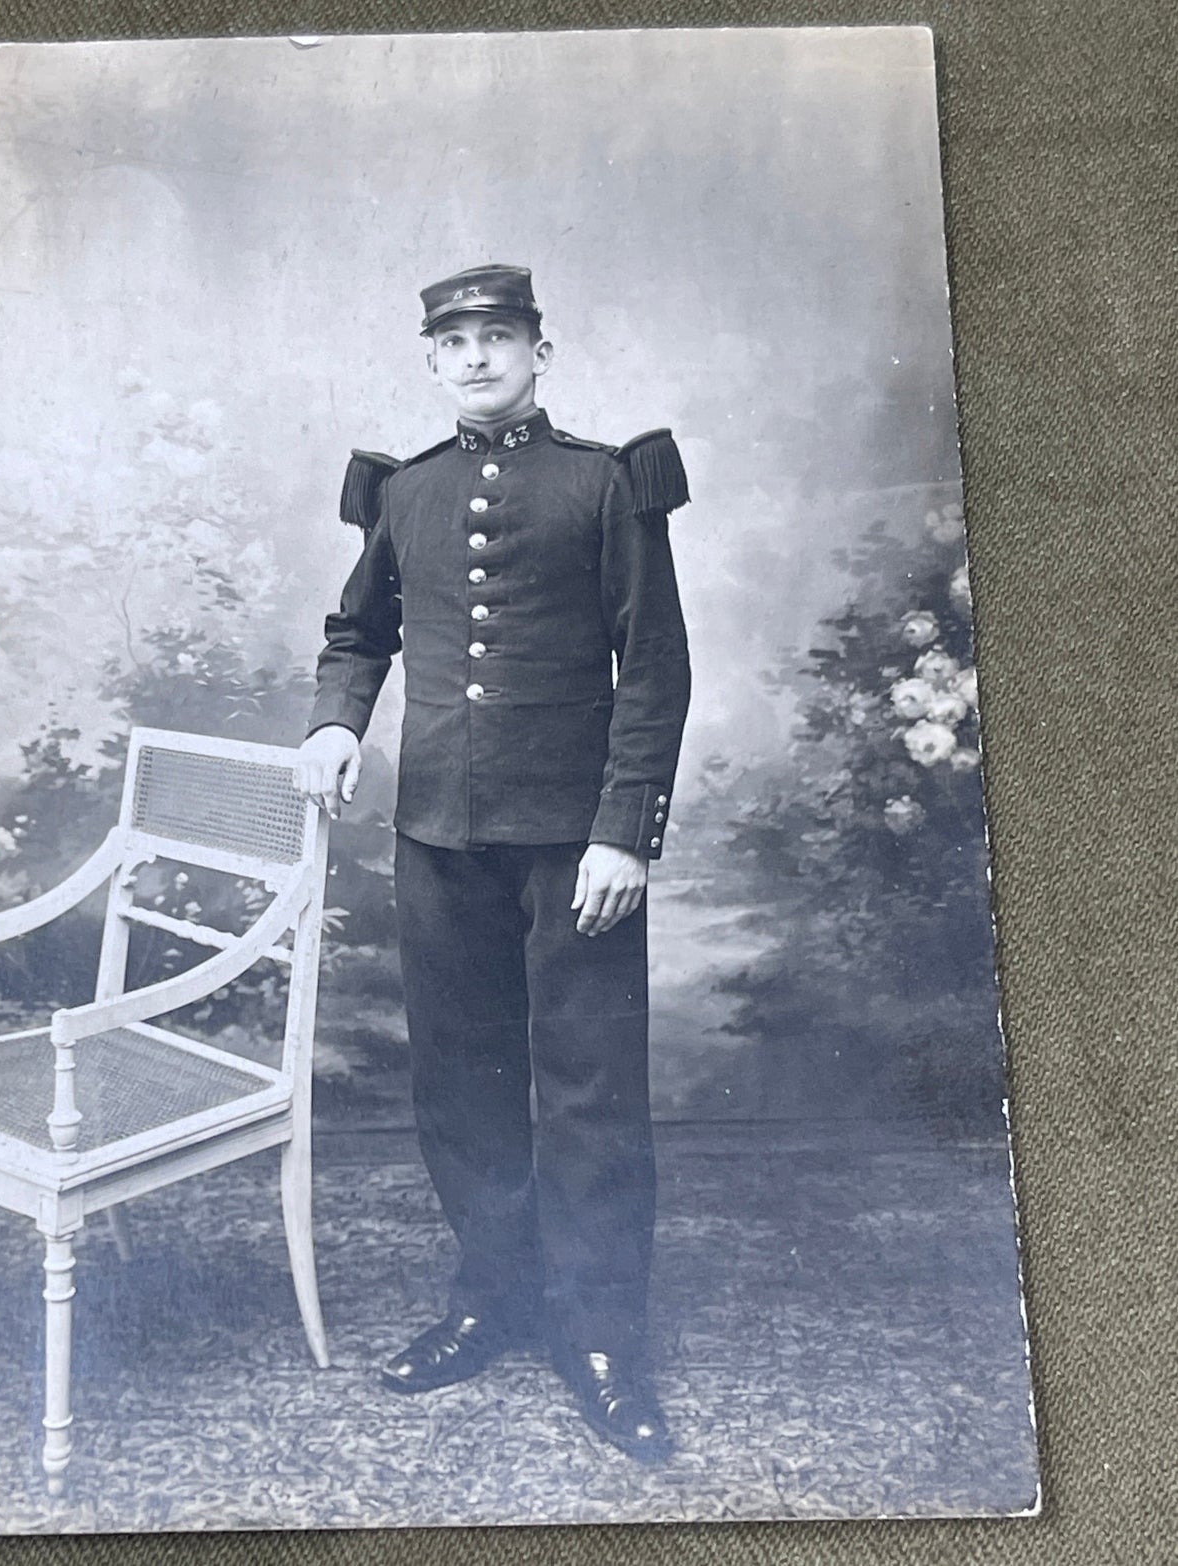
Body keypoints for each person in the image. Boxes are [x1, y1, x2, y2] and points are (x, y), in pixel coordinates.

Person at [295, 264, 691, 1463]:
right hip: (438, 841)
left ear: (538, 349)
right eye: (453, 341)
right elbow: (357, 632)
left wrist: (625, 829)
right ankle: (491, 1295)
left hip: (577, 846)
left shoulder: (602, 483)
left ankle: (600, 1330)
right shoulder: (406, 494)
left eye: (498, 336)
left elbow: (655, 666)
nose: (475, 357)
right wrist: (333, 720)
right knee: (460, 1088)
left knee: (587, 1091)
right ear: (430, 360)